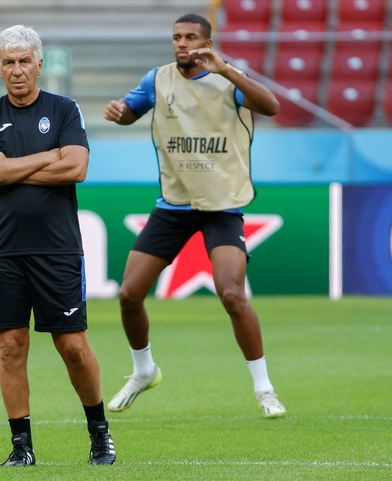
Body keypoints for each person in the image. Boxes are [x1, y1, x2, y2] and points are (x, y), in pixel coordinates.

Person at [103, 13, 287, 419]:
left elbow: (272, 106)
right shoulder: (158, 79)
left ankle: (265, 389)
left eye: (191, 37)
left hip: (221, 205)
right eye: (176, 37)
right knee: (129, 295)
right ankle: (143, 371)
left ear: (207, 41)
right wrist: (120, 112)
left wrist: (228, 70)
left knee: (232, 294)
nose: (182, 44)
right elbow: (132, 112)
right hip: (174, 205)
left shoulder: (228, 80)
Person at [0, 25, 116, 466]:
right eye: (9, 63)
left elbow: (77, 168)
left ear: (39, 64)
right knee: (10, 345)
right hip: (3, 247)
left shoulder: (65, 109)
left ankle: (99, 432)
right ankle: (22, 447)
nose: (17, 70)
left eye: (24, 61)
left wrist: (10, 165)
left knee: (72, 346)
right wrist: (46, 156)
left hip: (57, 248)